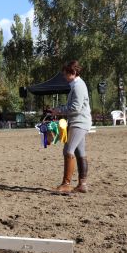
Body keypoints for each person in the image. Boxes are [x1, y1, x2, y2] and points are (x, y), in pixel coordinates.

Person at [52, 60, 92, 193]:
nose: (64, 77)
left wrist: (59, 110)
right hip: (78, 121)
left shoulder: (78, 86)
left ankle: (66, 184)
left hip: (78, 122)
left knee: (68, 150)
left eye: (66, 74)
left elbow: (75, 108)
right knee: (80, 153)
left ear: (73, 72)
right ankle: (82, 184)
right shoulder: (76, 85)